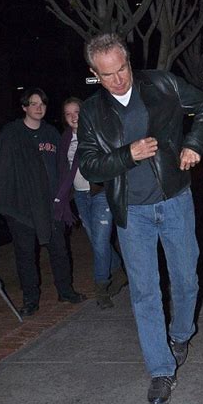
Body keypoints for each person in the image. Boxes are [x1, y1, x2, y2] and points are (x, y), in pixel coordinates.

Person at [77, 33, 203, 404]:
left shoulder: (161, 83)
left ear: (129, 61)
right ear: (95, 73)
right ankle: (160, 369)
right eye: (107, 75)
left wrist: (194, 144)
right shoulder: (92, 112)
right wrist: (128, 154)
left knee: (186, 279)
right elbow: (90, 165)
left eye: (121, 69)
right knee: (144, 292)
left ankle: (181, 335)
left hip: (174, 200)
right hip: (132, 213)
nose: (118, 79)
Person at [0, 88, 86, 317]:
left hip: (50, 205)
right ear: (24, 107)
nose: (38, 107)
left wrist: (64, 198)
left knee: (60, 251)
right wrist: (7, 203)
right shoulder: (11, 134)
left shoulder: (52, 134)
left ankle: (65, 290)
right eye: (33, 104)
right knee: (25, 255)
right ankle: (31, 300)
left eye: (42, 103)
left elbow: (64, 166)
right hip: (21, 209)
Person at [54, 97, 127, 309]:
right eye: (68, 114)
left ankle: (101, 287)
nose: (73, 117)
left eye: (76, 111)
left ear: (84, 112)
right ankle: (119, 272)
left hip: (100, 193)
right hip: (80, 195)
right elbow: (64, 170)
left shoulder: (96, 133)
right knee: (97, 241)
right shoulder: (65, 139)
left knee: (100, 242)